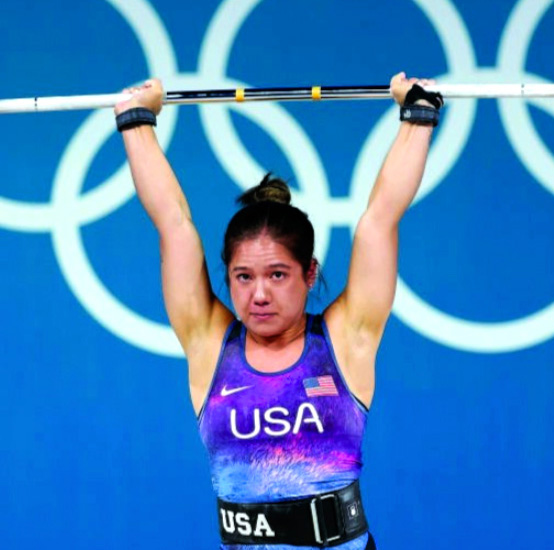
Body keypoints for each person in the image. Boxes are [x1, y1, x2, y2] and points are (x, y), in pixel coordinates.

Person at [114, 72, 441, 549]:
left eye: (277, 275)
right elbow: (174, 224)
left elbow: (380, 219)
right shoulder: (209, 344)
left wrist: (418, 114)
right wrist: (136, 120)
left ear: (309, 273)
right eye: (244, 277)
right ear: (228, 278)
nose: (259, 294)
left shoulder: (346, 341)